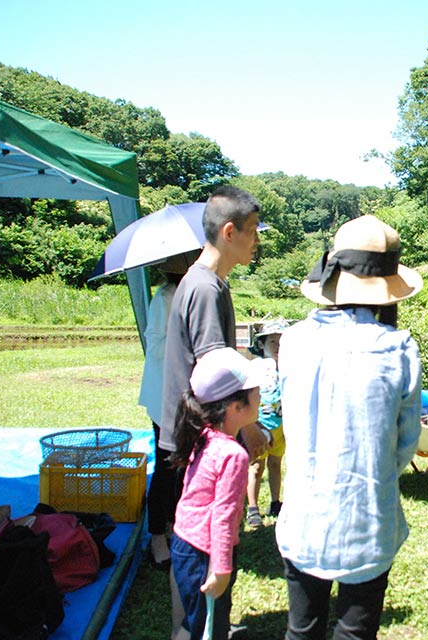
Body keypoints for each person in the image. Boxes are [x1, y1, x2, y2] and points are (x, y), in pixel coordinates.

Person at [275, 215, 423, 640]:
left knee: (301, 630)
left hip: (304, 516)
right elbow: (405, 443)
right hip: (368, 520)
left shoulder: (294, 340)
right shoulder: (398, 348)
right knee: (355, 633)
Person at [159, 186, 269, 638]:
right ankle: (191, 628)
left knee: (192, 536)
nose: (257, 242)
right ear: (230, 231)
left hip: (192, 431)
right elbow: (214, 373)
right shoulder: (206, 288)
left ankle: (189, 627)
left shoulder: (205, 281)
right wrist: (249, 429)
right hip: (201, 435)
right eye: (252, 233)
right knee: (202, 539)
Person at [169, 347, 261, 640]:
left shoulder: (203, 433)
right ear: (236, 407)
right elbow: (223, 517)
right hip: (205, 554)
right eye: (256, 391)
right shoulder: (233, 455)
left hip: (185, 543)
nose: (261, 396)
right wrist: (221, 569)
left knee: (199, 620)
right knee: (207, 627)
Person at [141, 253, 199, 568]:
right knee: (166, 467)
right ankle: (156, 538)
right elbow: (157, 347)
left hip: (185, 394)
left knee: (183, 464)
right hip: (165, 396)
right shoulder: (164, 297)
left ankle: (178, 526)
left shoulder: (189, 293)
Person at [245, 318, 290, 529]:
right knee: (255, 466)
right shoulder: (256, 366)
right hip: (261, 424)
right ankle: (252, 507)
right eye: (273, 342)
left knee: (276, 464)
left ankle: (275, 502)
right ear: (261, 344)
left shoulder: (290, 367)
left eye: (282, 342)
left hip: (282, 426)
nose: (278, 347)